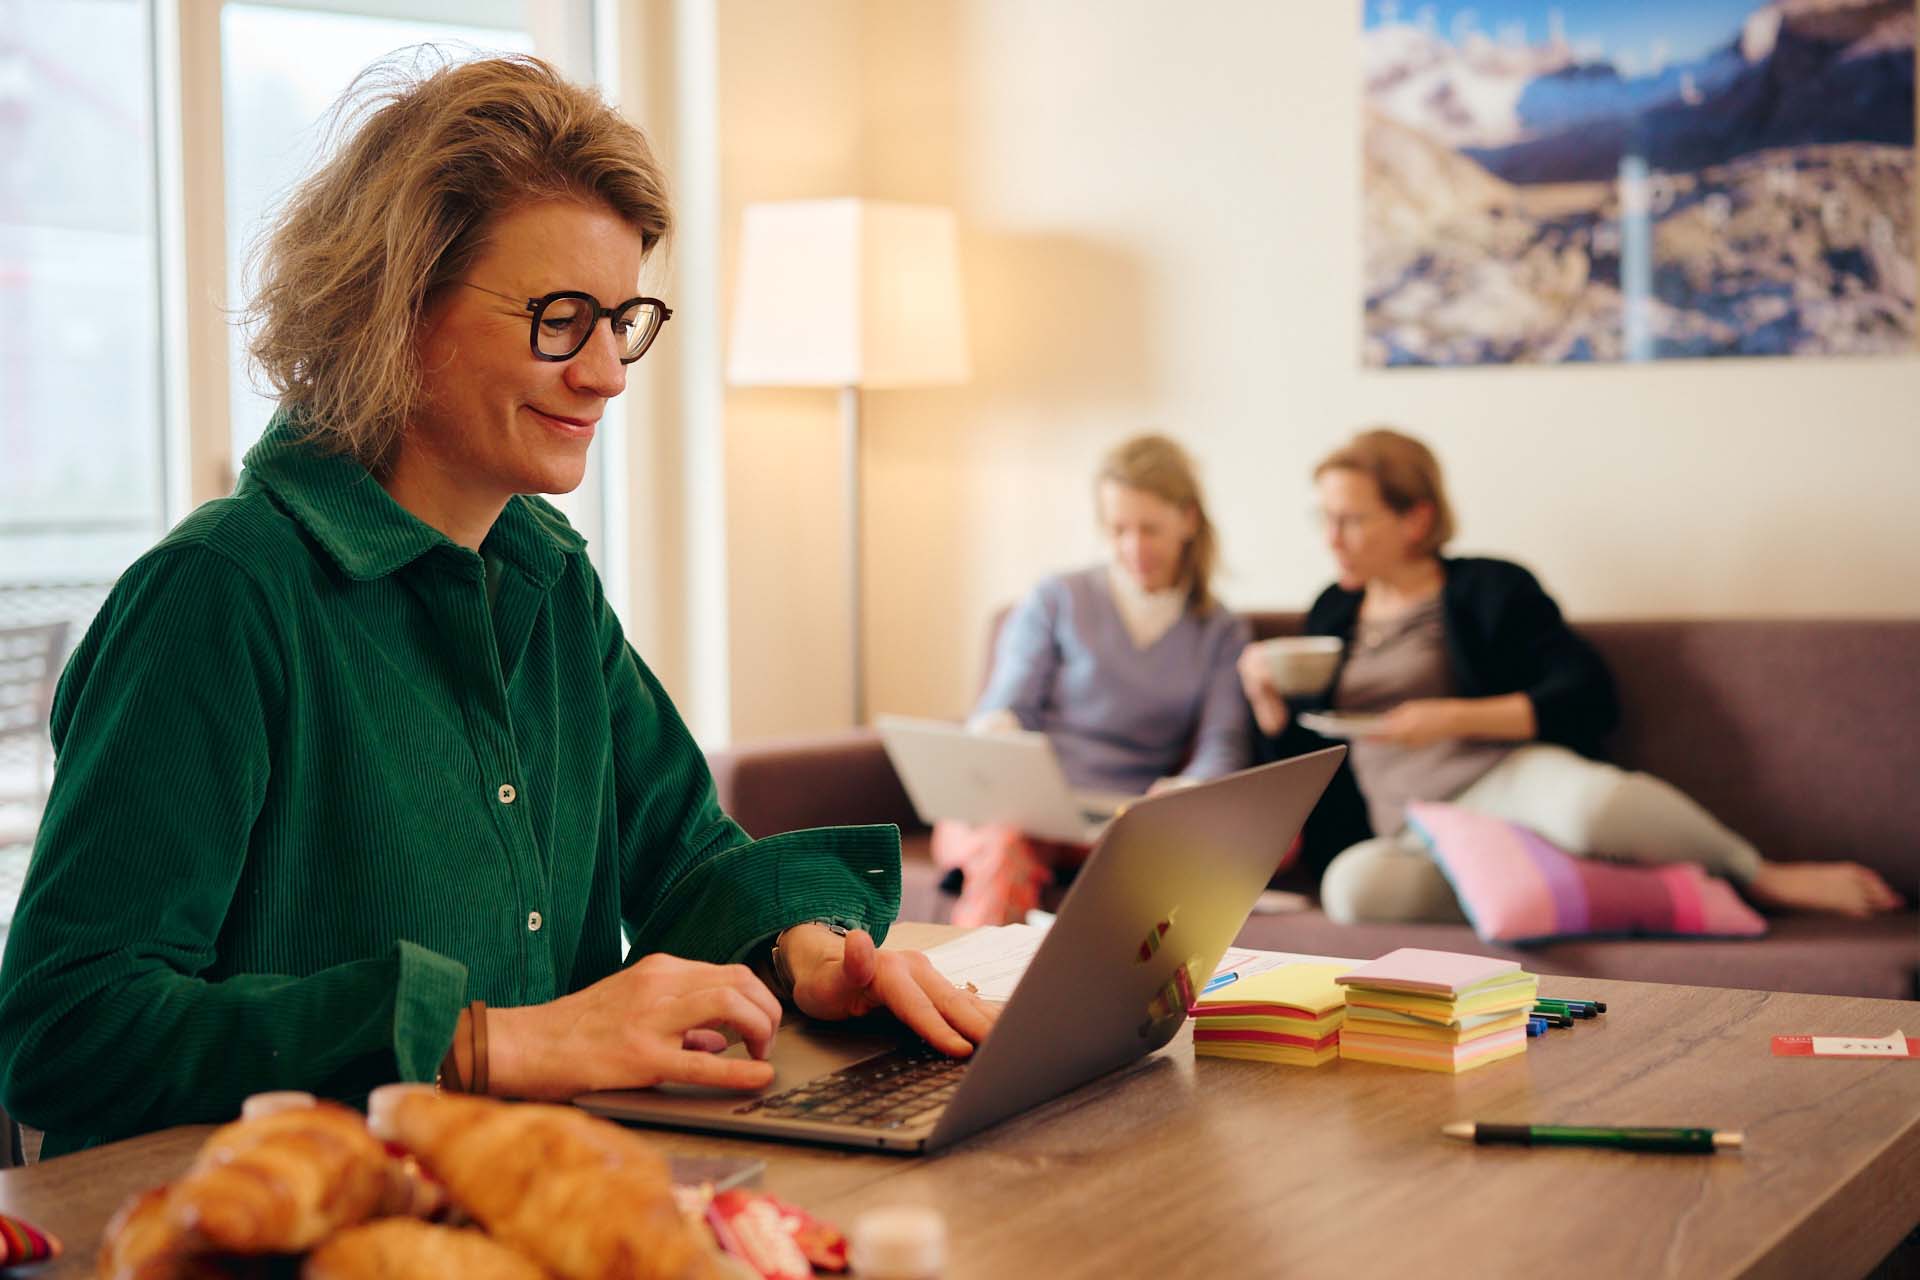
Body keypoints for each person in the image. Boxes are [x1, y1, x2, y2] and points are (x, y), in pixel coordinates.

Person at [0, 54, 993, 1160]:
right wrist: (491, 1043)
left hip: (528, 1197)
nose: (608, 372)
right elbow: (67, 1026)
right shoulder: (221, 595)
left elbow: (687, 849)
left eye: (624, 319)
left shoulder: (549, 576)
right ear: (397, 306)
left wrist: (816, 948)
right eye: (562, 317)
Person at [1239, 427, 1903, 924]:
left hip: (1506, 777)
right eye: (1323, 518)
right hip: (1413, 825)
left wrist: (1450, 718)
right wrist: (1271, 711)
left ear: (1415, 518)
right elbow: (1313, 767)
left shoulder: (1489, 586)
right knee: (1355, 891)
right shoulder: (1332, 607)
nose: (1332, 538)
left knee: (1597, 808)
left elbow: (1588, 694)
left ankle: (1761, 875)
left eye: (1351, 519)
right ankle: (1639, 890)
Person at [932, 434, 1253, 927]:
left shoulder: (1220, 631)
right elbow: (1007, 704)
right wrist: (997, 747)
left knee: (1157, 872)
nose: (1133, 547)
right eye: (1119, 529)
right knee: (1004, 843)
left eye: (1150, 529)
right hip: (1029, 810)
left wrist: (1184, 790)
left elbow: (1223, 743)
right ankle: (969, 996)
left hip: (1124, 821)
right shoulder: (1058, 598)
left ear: (1188, 520)